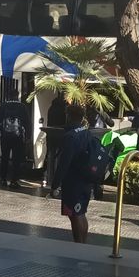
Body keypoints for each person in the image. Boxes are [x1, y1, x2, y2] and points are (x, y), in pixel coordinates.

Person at [51, 103, 93, 244]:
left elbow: (64, 163)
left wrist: (55, 184)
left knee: (75, 215)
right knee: (81, 212)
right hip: (86, 179)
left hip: (73, 181)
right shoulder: (86, 132)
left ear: (68, 116)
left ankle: (79, 245)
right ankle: (83, 242)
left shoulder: (70, 136)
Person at [0, 87, 29, 189]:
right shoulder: (22, 107)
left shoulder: (4, 106)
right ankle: (14, 180)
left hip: (5, 136)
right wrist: (28, 136)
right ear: (17, 96)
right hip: (18, 137)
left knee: (4, 158)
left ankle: (3, 179)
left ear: (8, 96)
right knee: (16, 159)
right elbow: (27, 122)